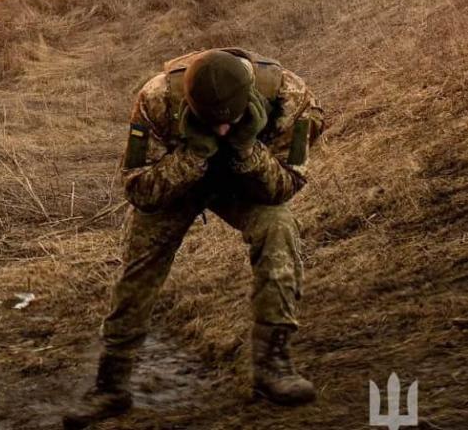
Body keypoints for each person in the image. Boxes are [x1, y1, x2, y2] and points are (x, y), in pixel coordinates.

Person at [65, 48, 325, 428]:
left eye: (230, 120)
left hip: (248, 183)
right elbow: (140, 191)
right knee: (139, 269)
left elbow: (284, 187)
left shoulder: (291, 97)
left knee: (279, 230)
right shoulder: (156, 99)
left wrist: (247, 149)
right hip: (178, 183)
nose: (221, 129)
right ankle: (110, 385)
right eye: (210, 121)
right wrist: (193, 154)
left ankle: (273, 366)